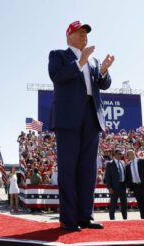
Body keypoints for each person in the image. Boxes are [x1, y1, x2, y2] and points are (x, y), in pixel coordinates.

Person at [48, 20, 114, 231]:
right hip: (68, 118)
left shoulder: (93, 62)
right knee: (68, 169)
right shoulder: (58, 55)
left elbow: (103, 84)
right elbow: (57, 76)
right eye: (80, 32)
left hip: (91, 116)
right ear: (69, 36)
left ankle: (85, 216)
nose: (84, 35)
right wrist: (80, 62)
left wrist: (103, 70)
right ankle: (68, 219)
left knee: (88, 169)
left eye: (86, 33)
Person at [125, 150, 144, 219]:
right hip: (136, 187)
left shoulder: (141, 161)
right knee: (140, 205)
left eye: (128, 155)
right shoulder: (128, 165)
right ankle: (143, 219)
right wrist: (129, 187)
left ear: (132, 154)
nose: (127, 156)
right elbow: (128, 177)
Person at [104, 149, 127, 220]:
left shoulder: (123, 162)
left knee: (124, 203)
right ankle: (112, 218)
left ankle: (125, 218)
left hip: (122, 186)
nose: (121, 155)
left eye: (121, 154)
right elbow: (107, 177)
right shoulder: (110, 163)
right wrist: (109, 187)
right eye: (119, 154)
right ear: (115, 154)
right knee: (113, 203)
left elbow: (125, 174)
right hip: (114, 187)